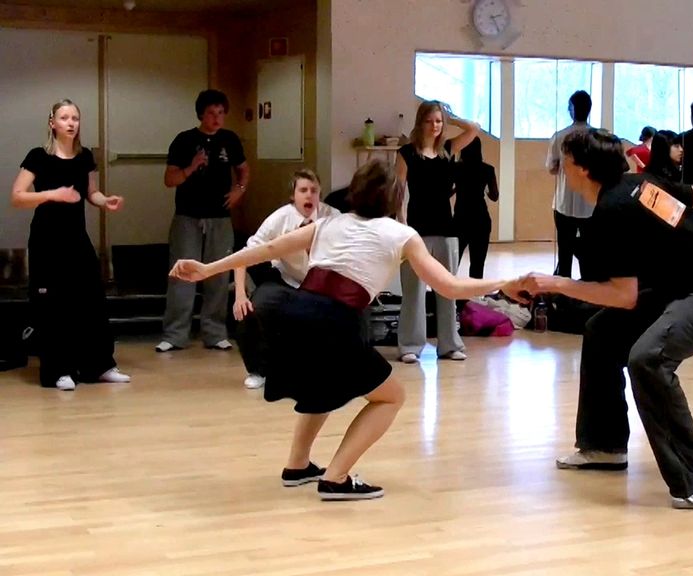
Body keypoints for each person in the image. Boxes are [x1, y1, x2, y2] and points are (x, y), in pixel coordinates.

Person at [169, 160, 523, 501]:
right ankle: (336, 478)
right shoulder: (402, 234)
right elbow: (449, 286)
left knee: (321, 386)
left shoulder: (328, 223)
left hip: (293, 312)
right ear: (398, 198)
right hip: (333, 319)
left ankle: (297, 466)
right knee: (391, 396)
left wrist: (207, 269)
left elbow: (268, 249)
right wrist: (503, 282)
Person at [520, 128, 693, 510]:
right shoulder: (638, 186)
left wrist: (556, 284)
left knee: (648, 359)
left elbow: (624, 295)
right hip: (678, 285)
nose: (562, 169)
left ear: (584, 169)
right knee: (601, 330)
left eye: (566, 162)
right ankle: (603, 445)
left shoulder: (613, 211)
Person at [9, 99, 130, 390]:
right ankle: (58, 370)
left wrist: (105, 201)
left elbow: (91, 192)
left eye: (75, 117)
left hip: (77, 237)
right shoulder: (39, 156)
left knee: (91, 299)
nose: (71, 123)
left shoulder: (84, 156)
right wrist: (52, 195)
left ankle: (99, 365)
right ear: (52, 123)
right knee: (53, 306)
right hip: (47, 240)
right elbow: (17, 196)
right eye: (64, 117)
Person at [157, 89, 249, 353]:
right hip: (188, 215)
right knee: (182, 275)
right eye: (211, 113)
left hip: (220, 217)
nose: (217, 118)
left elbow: (243, 168)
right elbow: (169, 179)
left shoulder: (230, 140)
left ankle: (215, 332)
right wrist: (191, 166)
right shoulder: (185, 140)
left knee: (219, 275)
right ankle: (175, 335)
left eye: (221, 113)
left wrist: (239, 190)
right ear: (201, 114)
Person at [233, 169, 339, 390]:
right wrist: (240, 295)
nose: (309, 195)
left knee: (354, 310)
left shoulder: (334, 218)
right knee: (252, 308)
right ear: (294, 196)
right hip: (286, 279)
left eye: (314, 191)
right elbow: (244, 255)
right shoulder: (280, 218)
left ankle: (341, 367)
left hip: (325, 283)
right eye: (303, 190)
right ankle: (258, 370)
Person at [395, 100, 479, 364]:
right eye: (430, 121)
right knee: (414, 291)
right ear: (420, 122)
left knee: (447, 288)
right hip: (416, 230)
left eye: (438, 121)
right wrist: (401, 224)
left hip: (446, 228)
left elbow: (474, 128)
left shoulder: (448, 149)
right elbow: (398, 192)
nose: (435, 126)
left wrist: (451, 118)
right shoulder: (407, 153)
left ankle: (449, 344)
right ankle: (410, 344)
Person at [546, 90, 594, 279]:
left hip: (564, 203)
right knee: (589, 254)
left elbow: (551, 168)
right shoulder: (598, 136)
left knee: (564, 253)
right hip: (591, 206)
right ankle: (588, 297)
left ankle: (563, 298)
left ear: (572, 109)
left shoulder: (560, 136)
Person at [448, 136, 498, 280]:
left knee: (452, 265)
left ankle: (449, 299)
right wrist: (484, 190)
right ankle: (474, 299)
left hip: (460, 220)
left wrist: (458, 188)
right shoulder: (488, 169)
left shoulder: (456, 168)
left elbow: (445, 192)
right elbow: (494, 196)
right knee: (477, 266)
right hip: (481, 220)